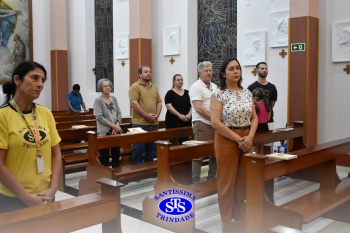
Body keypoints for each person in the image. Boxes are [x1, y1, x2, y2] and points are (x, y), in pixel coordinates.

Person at [0, 61, 62, 213]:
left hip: (46, 194)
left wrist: (53, 188)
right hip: (13, 198)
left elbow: (56, 154)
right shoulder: (3, 116)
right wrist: (26, 197)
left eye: (42, 80)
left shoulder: (45, 113)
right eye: (34, 78)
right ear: (17, 80)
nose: (40, 84)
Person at [210, 57, 258, 232]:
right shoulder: (218, 94)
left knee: (243, 178)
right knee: (227, 181)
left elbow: (254, 118)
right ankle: (227, 220)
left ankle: (239, 216)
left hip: (247, 138)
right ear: (223, 73)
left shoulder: (247, 93)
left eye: (238, 68)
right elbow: (215, 122)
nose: (236, 71)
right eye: (231, 69)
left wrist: (250, 137)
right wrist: (238, 139)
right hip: (227, 138)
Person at [189, 61, 217, 184]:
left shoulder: (214, 87)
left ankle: (211, 179)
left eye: (210, 70)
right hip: (202, 123)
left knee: (215, 153)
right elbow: (199, 108)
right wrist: (214, 118)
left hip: (215, 124)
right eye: (206, 71)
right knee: (199, 154)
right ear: (199, 72)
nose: (209, 73)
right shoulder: (196, 87)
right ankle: (195, 181)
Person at [128, 65, 162, 164]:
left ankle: (148, 170)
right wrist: (146, 116)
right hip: (139, 123)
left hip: (153, 123)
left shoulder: (154, 87)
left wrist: (157, 115)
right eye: (146, 72)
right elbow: (134, 103)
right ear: (140, 74)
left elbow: (159, 102)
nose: (148, 73)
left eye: (149, 72)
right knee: (138, 148)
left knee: (151, 149)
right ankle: (137, 171)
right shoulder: (135, 87)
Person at [248, 62, 277, 154]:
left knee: (268, 146)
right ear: (257, 70)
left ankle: (268, 165)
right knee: (255, 146)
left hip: (269, 120)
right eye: (262, 68)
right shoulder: (251, 87)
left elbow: (272, 104)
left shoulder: (272, 87)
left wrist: (265, 110)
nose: (264, 70)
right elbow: (249, 104)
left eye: (266, 68)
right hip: (255, 121)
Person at [94, 79, 122, 168]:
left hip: (115, 132)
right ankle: (105, 178)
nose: (107, 87)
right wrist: (114, 126)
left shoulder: (114, 99)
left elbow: (119, 113)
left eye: (109, 85)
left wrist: (117, 125)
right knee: (105, 158)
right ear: (101, 88)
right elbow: (99, 117)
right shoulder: (98, 101)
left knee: (116, 156)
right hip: (104, 132)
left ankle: (116, 177)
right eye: (105, 86)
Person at [164, 74, 192, 144]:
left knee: (186, 142)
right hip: (173, 122)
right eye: (178, 80)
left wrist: (189, 114)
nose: (180, 81)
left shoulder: (187, 92)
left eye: (181, 80)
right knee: (175, 143)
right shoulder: (170, 93)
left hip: (186, 120)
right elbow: (169, 106)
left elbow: (192, 105)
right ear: (174, 81)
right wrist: (180, 115)